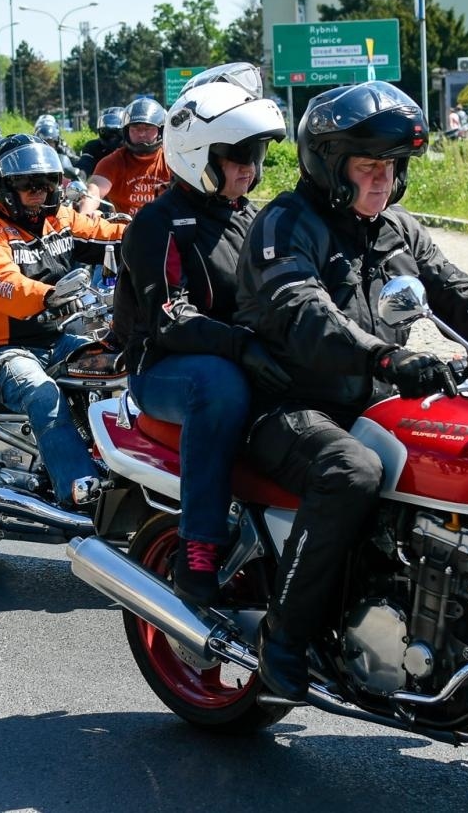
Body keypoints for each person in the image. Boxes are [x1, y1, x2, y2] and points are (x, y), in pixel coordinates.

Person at [235, 80, 468, 702]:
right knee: (351, 470)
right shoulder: (284, 224)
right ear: (328, 163)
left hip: (378, 399)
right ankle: (283, 638)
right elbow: (304, 314)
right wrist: (389, 357)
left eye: (392, 168)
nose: (382, 181)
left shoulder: (398, 228)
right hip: (287, 404)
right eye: (368, 166)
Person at [114, 65, 292, 605]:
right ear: (199, 157)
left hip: (235, 353)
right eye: (238, 157)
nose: (250, 169)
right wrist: (241, 345)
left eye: (256, 156)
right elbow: (171, 317)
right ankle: (199, 549)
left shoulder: (251, 218)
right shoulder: (156, 225)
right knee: (220, 385)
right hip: (165, 368)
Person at [0, 134, 126, 507]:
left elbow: (105, 233)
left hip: (61, 336)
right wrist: (48, 296)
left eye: (47, 182)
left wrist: (155, 234)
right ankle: (78, 490)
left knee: (115, 366)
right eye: (27, 184)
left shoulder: (58, 218)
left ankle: (126, 469)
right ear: (2, 188)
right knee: (43, 393)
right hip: (4, 349)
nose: (39, 191)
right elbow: (1, 282)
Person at [80, 97, 171, 217]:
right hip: (123, 230)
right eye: (135, 128)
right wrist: (85, 214)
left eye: (148, 128)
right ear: (126, 131)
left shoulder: (172, 159)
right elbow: (95, 190)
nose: (142, 133)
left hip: (167, 228)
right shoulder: (112, 162)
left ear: (161, 131)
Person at [76, 107, 126, 178]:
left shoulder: (132, 148)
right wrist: (79, 176)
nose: (112, 136)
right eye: (105, 132)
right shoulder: (93, 147)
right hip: (99, 186)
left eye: (116, 131)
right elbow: (85, 164)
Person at [33, 115, 81, 180]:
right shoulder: (32, 153)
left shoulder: (64, 149)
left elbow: (75, 161)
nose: (47, 145)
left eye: (50, 142)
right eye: (44, 142)